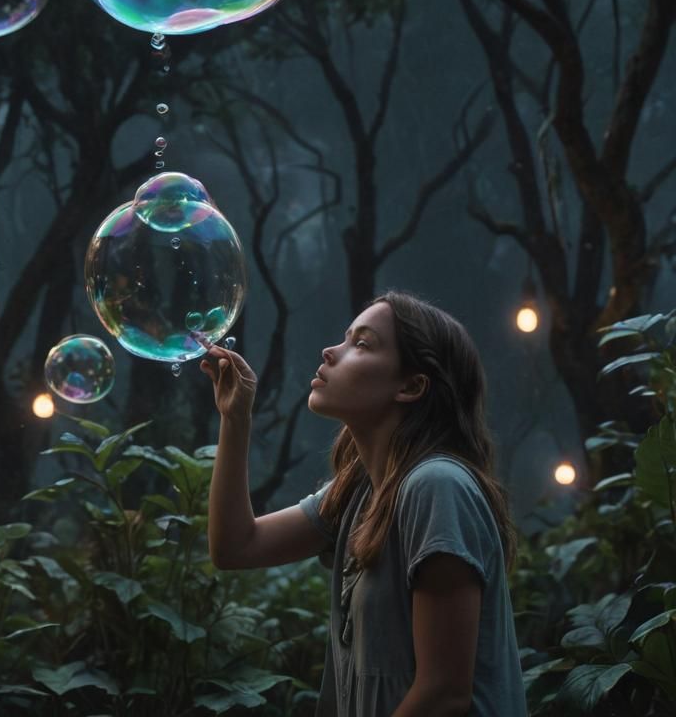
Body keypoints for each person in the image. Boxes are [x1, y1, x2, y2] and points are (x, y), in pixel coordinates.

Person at [200, 290, 527, 717]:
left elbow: (444, 694)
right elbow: (235, 547)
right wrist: (235, 417)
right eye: (345, 337)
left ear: (411, 386)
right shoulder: (358, 492)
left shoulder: (437, 486)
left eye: (362, 343)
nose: (331, 351)